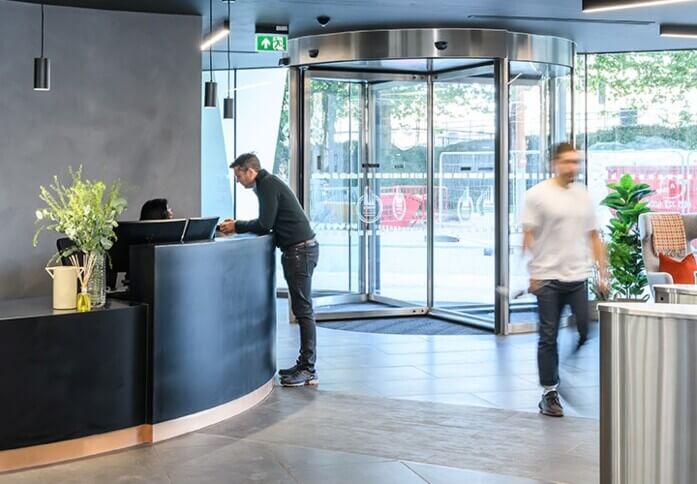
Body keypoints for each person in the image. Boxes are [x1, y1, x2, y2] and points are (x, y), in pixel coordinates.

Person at [218, 153, 319, 387]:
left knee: (303, 311)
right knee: (302, 309)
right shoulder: (266, 184)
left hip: (300, 252)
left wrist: (237, 226)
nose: (238, 180)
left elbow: (265, 224)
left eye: (239, 175)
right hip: (300, 251)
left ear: (250, 171)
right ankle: (304, 363)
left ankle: (308, 369)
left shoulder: (267, 185)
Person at [522, 142, 607, 418]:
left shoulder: (582, 195)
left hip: (577, 276)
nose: (573, 167)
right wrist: (531, 272)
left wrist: (603, 272)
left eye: (576, 161)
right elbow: (528, 236)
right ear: (554, 163)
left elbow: (593, 236)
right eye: (568, 161)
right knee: (548, 337)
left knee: (585, 332)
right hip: (547, 277)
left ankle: (561, 372)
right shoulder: (537, 195)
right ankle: (549, 392)